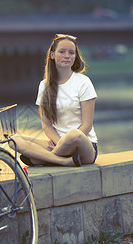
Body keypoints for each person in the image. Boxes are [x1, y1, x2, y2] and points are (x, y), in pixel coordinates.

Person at [9, 34, 98, 167]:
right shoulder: (44, 85)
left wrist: (65, 142)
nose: (67, 55)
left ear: (75, 57)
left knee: (74, 133)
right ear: (52, 55)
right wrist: (60, 142)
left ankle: (43, 158)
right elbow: (46, 125)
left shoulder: (83, 82)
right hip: (57, 143)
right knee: (14, 140)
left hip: (84, 145)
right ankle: (63, 161)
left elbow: (87, 126)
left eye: (71, 52)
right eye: (62, 52)